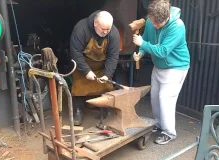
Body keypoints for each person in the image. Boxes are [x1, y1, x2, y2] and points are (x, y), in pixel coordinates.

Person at [133, 0, 190, 144]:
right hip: (158, 66)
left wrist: (143, 44)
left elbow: (163, 51)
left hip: (175, 67)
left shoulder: (177, 26)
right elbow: (145, 39)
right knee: (155, 98)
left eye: (159, 23)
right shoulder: (151, 22)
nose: (155, 25)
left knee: (166, 99)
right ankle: (158, 125)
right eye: (153, 22)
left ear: (167, 17)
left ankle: (169, 132)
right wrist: (140, 52)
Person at [70, 11, 120, 126]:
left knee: (106, 86)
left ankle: (104, 109)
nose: (106, 32)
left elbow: (113, 57)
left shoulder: (113, 33)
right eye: (103, 29)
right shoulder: (81, 29)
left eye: (108, 29)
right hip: (83, 65)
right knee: (79, 87)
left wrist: (107, 74)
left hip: (102, 66)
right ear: (95, 23)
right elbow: (75, 53)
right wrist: (86, 71)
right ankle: (78, 111)